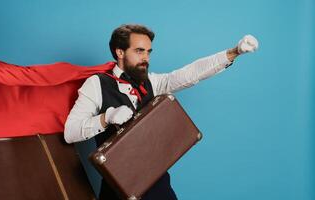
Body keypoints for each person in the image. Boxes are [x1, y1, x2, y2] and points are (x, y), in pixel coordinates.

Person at [64, 24, 258, 199]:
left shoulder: (153, 82)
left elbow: (189, 74)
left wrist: (234, 52)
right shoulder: (96, 84)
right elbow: (70, 132)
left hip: (157, 186)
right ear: (120, 52)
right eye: (139, 51)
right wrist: (107, 117)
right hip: (118, 189)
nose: (146, 58)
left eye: (148, 52)